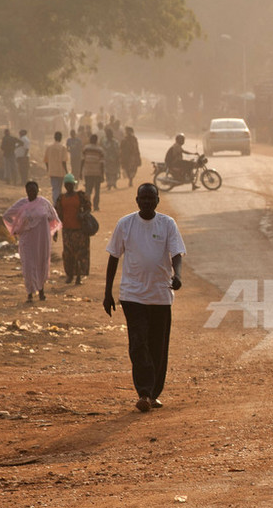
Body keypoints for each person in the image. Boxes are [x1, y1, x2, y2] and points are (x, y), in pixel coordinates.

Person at [103, 183, 186, 413]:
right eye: (143, 198)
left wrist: (177, 275)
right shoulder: (125, 224)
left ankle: (152, 392)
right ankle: (144, 392)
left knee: (157, 346)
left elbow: (177, 253)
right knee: (138, 343)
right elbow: (113, 257)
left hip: (160, 295)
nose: (147, 202)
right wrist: (107, 291)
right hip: (132, 295)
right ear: (137, 200)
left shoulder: (167, 224)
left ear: (158, 200)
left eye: (152, 198)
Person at [3, 180, 61, 303]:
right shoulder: (21, 204)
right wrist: (17, 228)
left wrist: (55, 232)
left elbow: (53, 217)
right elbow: (7, 215)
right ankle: (30, 292)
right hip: (27, 239)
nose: (32, 193)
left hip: (42, 239)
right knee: (28, 266)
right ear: (26, 191)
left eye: (34, 191)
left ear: (37, 191)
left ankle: (41, 291)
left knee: (41, 263)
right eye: (29, 191)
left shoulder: (43, 203)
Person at [55, 174, 91, 285]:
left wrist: (82, 214)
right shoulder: (61, 198)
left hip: (80, 230)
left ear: (74, 185)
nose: (69, 186)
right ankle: (70, 275)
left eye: (71, 184)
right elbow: (57, 215)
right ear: (65, 185)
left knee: (80, 254)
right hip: (67, 230)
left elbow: (88, 208)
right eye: (67, 184)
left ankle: (78, 276)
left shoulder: (80, 196)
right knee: (68, 254)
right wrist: (55, 231)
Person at [80, 133, 105, 211]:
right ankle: (96, 206)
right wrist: (102, 174)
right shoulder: (100, 150)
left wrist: (80, 172)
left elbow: (82, 160)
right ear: (96, 141)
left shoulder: (85, 149)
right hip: (97, 172)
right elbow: (102, 163)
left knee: (88, 190)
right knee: (97, 190)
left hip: (88, 172)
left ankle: (87, 206)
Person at [43, 132, 70, 204]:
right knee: (59, 188)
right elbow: (64, 161)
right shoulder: (63, 148)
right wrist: (66, 172)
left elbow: (46, 161)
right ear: (60, 138)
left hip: (52, 171)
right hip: (60, 171)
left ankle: (56, 203)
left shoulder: (49, 148)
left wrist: (48, 169)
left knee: (55, 188)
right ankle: (58, 203)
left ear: (54, 137)